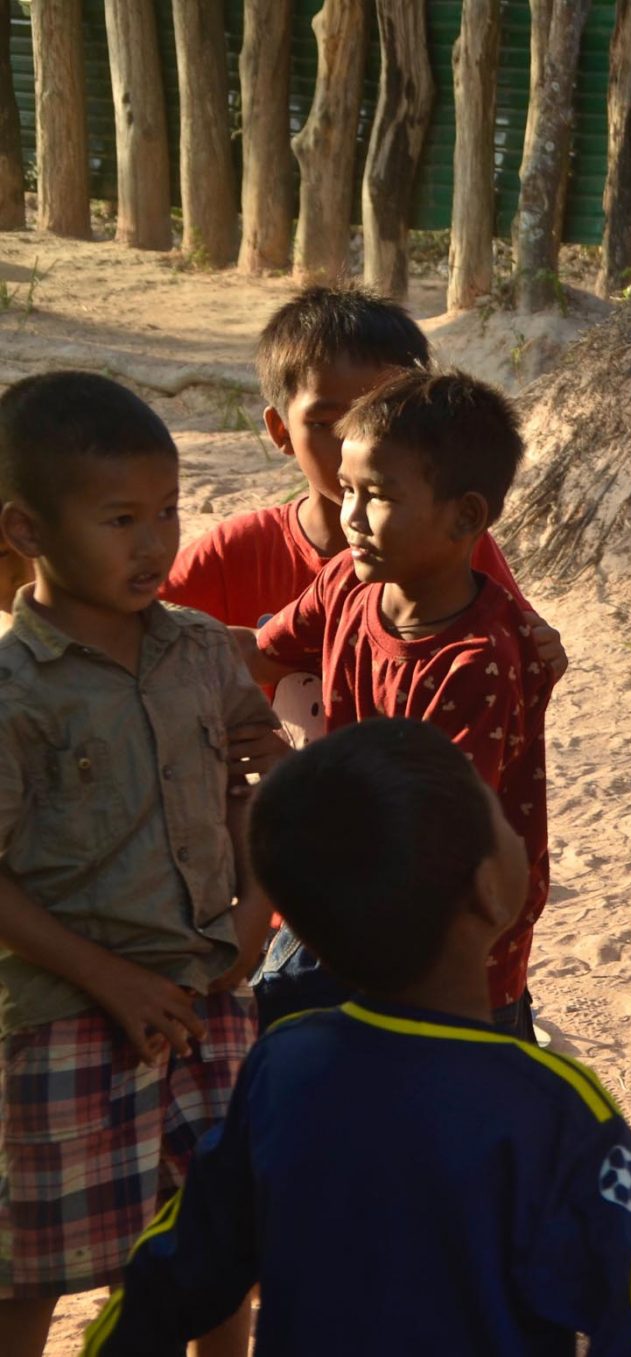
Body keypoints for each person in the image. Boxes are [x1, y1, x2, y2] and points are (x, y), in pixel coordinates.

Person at [81, 719, 631, 1356]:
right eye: (500, 819)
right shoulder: (550, 1101)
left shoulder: (283, 1066)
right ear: (489, 890)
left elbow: (170, 1269)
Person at [0, 372, 274, 1357]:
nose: (156, 541)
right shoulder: (15, 692)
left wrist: (254, 915)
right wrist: (107, 977)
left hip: (211, 1000)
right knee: (31, 1264)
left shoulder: (201, 649)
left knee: (214, 1243)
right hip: (65, 1020)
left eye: (167, 510)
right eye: (121, 518)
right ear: (27, 530)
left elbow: (261, 773)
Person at [237, 371, 556, 1041]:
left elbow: (431, 844)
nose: (349, 515)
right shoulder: (348, 585)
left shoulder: (477, 661)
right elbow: (259, 653)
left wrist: (288, 776)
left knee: (449, 1117)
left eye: (376, 495)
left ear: (466, 516)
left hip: (450, 963)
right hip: (346, 906)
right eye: (347, 489)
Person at [161, 283, 562, 745]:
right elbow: (153, 633)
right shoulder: (242, 550)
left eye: (381, 420)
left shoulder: (456, 549)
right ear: (280, 430)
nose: (358, 444)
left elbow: (517, 656)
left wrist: (543, 655)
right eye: (329, 423)